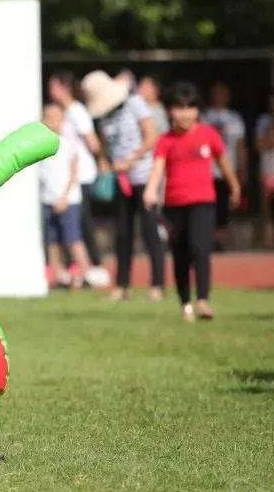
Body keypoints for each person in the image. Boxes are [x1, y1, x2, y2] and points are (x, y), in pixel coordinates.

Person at [144, 82, 241, 321]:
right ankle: (185, 302)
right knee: (180, 254)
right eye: (178, 107)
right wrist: (150, 190)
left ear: (198, 110)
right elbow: (157, 169)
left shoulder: (209, 134)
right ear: (169, 111)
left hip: (203, 202)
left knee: (201, 249)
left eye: (190, 107)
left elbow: (224, 162)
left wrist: (235, 186)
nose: (185, 113)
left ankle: (203, 301)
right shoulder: (165, 140)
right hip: (174, 205)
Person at [81, 70, 165, 302]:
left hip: (143, 177)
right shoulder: (106, 115)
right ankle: (122, 285)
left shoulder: (135, 104)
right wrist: (107, 162)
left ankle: (157, 284)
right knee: (122, 233)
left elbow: (151, 136)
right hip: (121, 179)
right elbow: (108, 145)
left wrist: (132, 159)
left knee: (149, 230)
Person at [47, 70, 107, 285]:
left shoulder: (76, 111)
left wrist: (101, 161)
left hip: (80, 175)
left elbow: (93, 142)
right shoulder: (63, 112)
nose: (50, 91)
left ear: (64, 88)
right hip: (68, 176)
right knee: (73, 226)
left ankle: (93, 268)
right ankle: (74, 270)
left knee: (81, 225)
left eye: (53, 86)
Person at [39, 104, 92, 289]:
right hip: (47, 198)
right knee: (52, 240)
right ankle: (58, 275)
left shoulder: (67, 144)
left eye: (56, 117)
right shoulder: (39, 146)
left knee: (73, 239)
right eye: (48, 117)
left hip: (68, 200)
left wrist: (64, 197)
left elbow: (74, 172)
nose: (52, 121)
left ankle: (85, 274)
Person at [201, 81, 247, 249]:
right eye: (216, 92)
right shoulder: (204, 117)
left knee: (224, 208)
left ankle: (221, 242)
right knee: (207, 207)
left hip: (227, 170)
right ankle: (207, 240)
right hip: (207, 172)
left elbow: (240, 146)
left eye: (222, 93)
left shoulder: (234, 118)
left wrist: (242, 169)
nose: (219, 96)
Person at [256, 93, 274, 247]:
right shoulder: (263, 122)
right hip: (268, 170)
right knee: (267, 210)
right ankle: (267, 243)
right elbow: (260, 145)